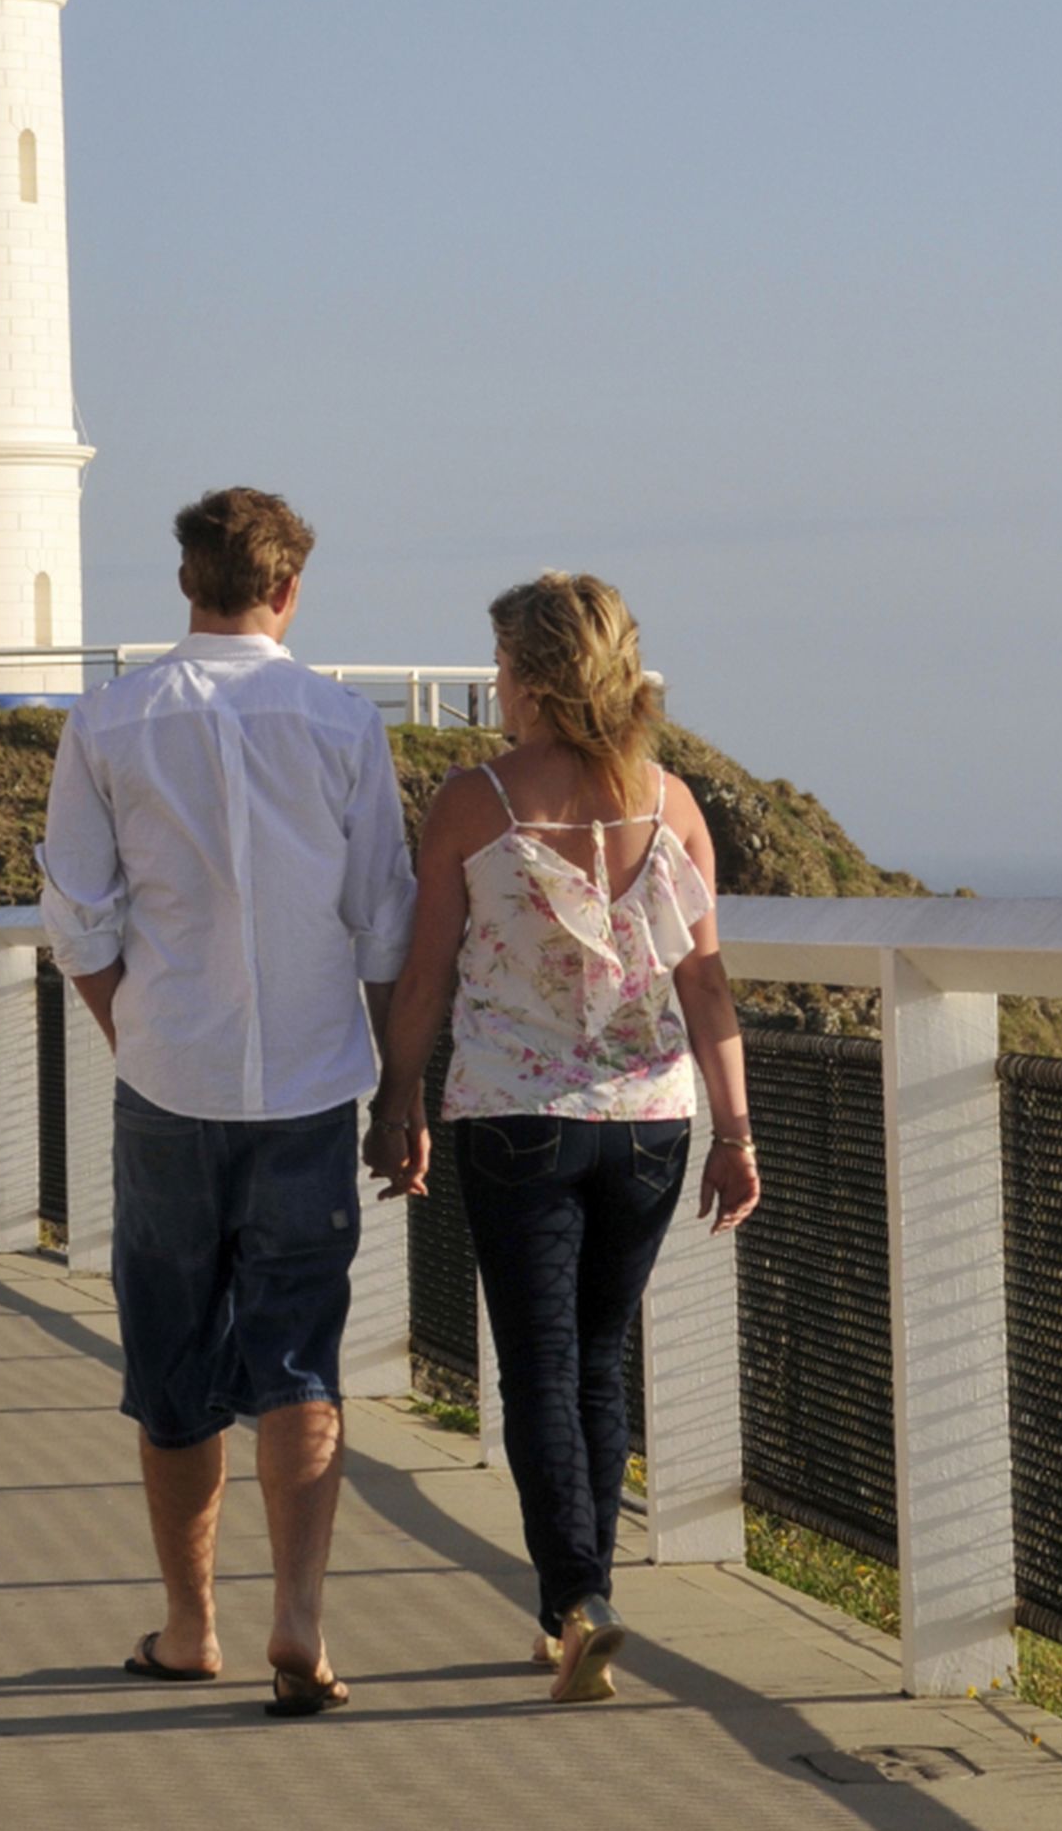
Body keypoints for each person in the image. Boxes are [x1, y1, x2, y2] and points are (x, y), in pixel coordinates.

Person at [39, 487, 415, 1717]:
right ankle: (298, 1620)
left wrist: (133, 1030)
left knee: (172, 1360)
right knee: (299, 1358)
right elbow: (383, 927)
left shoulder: (107, 723)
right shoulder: (345, 724)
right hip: (309, 1085)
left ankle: (191, 1624)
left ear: (187, 583)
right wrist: (396, 1089)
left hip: (168, 1086)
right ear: (288, 589)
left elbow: (79, 921)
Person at [365, 573, 759, 1705]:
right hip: (649, 1123)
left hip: (514, 1119)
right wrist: (736, 1131)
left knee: (535, 1363)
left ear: (532, 676)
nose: (491, 683)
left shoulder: (474, 803)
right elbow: (707, 984)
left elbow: (427, 977)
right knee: (597, 1356)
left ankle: (576, 1600)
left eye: (497, 664)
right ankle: (581, 1601)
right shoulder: (669, 802)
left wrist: (398, 1103)